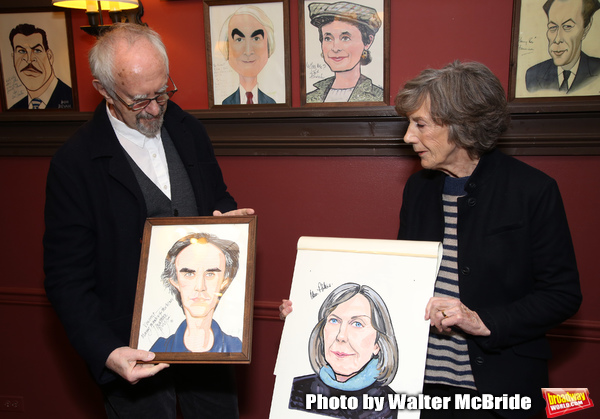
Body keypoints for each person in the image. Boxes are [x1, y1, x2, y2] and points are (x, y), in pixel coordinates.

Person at [282, 61, 582, 418]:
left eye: (420, 124)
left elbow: (562, 295)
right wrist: (311, 308)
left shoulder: (532, 190)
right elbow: (398, 284)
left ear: (463, 126)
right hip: (419, 389)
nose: (408, 137)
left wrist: (484, 320)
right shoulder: (419, 190)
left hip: (499, 391)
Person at [43, 23, 253, 419]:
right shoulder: (74, 164)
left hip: (209, 337)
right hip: (129, 350)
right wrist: (106, 352)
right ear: (103, 89)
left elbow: (218, 199)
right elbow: (65, 278)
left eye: (162, 92)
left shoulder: (189, 131)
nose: (155, 108)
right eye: (140, 100)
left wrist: (229, 219)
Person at [289, 283, 398, 419]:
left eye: (357, 324)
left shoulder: (391, 404)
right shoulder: (296, 390)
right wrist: (292, 317)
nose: (341, 336)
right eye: (334, 321)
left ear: (377, 344)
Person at [150, 233, 242, 353]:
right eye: (189, 274)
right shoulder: (160, 349)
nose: (200, 287)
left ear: (224, 281)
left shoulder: (236, 347)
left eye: (210, 274)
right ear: (174, 281)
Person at [306, 1, 383, 103]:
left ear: (368, 41)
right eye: (328, 38)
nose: (335, 48)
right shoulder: (310, 98)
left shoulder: (379, 97)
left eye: (345, 38)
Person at [525, 0, 600, 93]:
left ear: (586, 29)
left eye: (568, 26)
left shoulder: (597, 70)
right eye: (552, 27)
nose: (557, 39)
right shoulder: (533, 76)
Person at [218, 5, 276, 104]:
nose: (248, 51)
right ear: (227, 48)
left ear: (268, 45)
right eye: (239, 39)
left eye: (256, 39)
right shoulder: (225, 103)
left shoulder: (272, 102)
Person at [9, 23, 73, 109]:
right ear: (13, 58)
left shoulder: (71, 98)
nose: (29, 60)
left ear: (49, 56)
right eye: (22, 51)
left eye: (37, 50)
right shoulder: (15, 109)